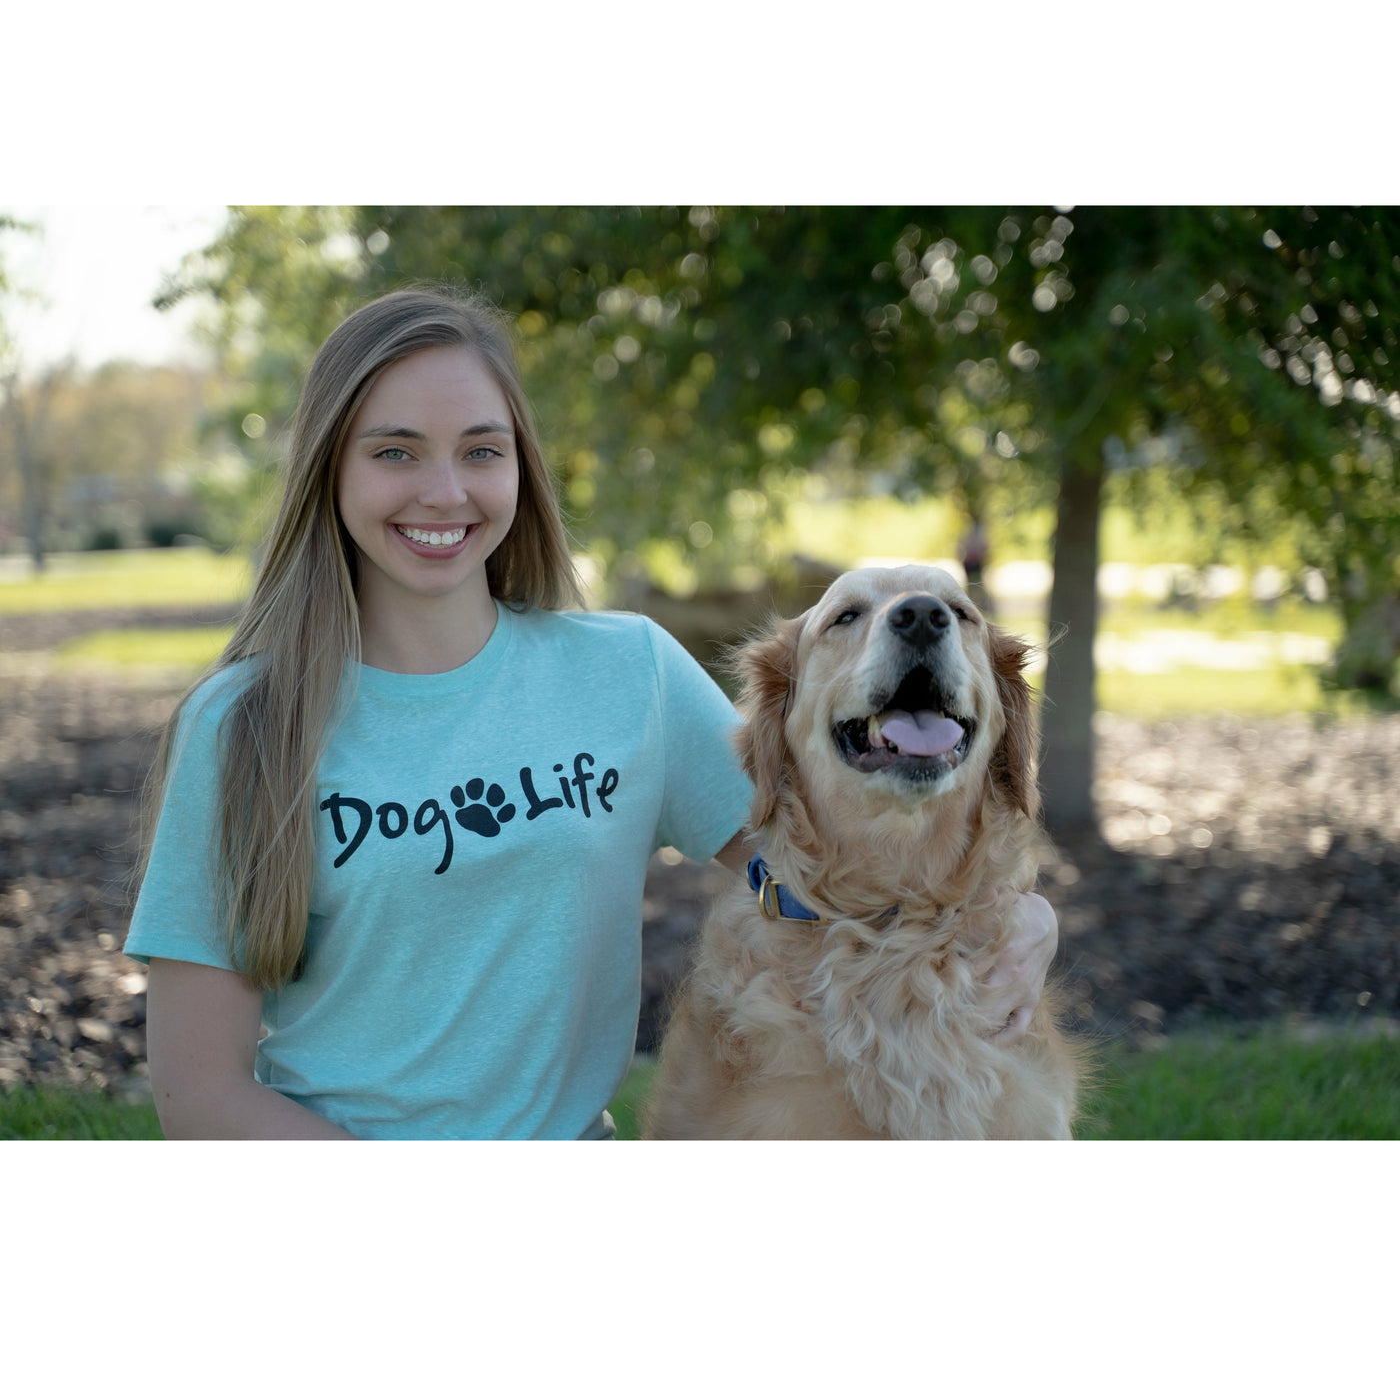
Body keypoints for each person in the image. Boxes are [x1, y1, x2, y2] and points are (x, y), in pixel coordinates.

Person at [126, 286, 1058, 1140]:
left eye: (481, 451)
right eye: (395, 451)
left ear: (521, 469)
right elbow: (200, 1095)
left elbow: (814, 876)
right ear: (330, 467)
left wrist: (1019, 920)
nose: (445, 491)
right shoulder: (242, 724)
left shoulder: (630, 675)